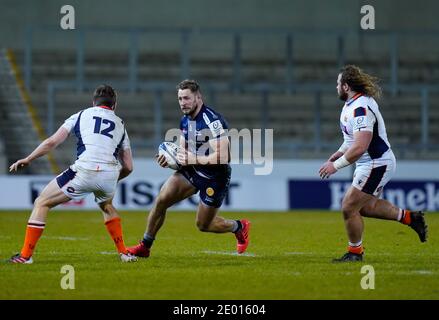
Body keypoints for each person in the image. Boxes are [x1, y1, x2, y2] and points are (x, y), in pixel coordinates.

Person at [8, 84, 137, 263]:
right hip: (109, 173)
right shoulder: (121, 124)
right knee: (107, 206)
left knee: (42, 202)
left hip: (84, 170)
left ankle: (25, 256)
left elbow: (52, 142)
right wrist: (113, 178)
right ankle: (124, 253)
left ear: (93, 103)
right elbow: (129, 166)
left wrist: (29, 159)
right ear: (114, 105)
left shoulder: (81, 115)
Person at [127, 79, 250, 258]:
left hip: (215, 177)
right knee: (161, 200)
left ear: (198, 98)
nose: (183, 103)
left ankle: (239, 227)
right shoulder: (185, 120)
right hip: (192, 170)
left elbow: (224, 157)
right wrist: (169, 161)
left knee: (204, 225)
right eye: (180, 99)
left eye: (186, 98)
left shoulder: (212, 121)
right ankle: (145, 246)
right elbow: (183, 153)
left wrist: (194, 158)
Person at [319, 65, 428, 262]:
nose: (335, 87)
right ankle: (411, 218)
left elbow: (361, 146)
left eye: (337, 83)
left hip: (376, 163)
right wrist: (339, 153)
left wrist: (335, 166)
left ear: (345, 86)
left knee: (348, 207)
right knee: (366, 208)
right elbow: (352, 140)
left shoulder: (360, 108)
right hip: (369, 163)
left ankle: (355, 253)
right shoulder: (351, 105)